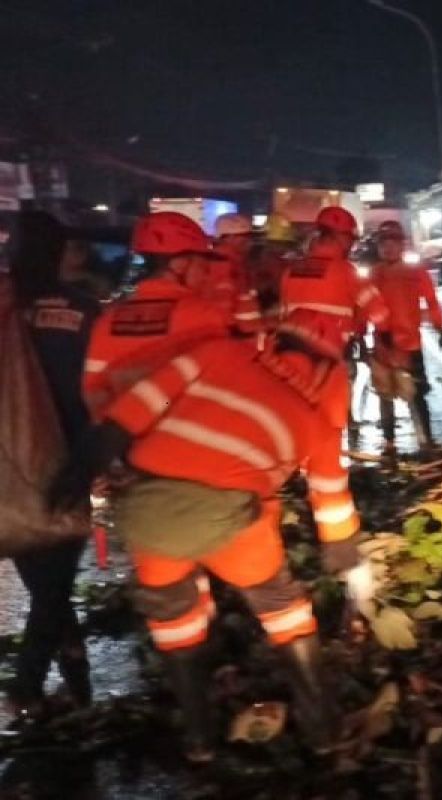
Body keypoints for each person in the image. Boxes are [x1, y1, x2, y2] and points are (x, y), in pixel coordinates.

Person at [47, 309, 368, 763]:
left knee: (175, 623)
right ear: (328, 367)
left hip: (149, 510)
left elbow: (126, 416)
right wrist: (342, 552)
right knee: (284, 610)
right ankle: (325, 729)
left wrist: (79, 473)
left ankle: (199, 739)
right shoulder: (316, 424)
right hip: (231, 521)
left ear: (276, 342)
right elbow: (330, 494)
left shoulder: (217, 353)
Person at [4, 211, 96, 720]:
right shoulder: (84, 312)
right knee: (55, 579)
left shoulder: (5, 306)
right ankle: (26, 688)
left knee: (44, 577)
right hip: (68, 457)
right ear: (62, 253)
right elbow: (103, 389)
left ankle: (77, 673)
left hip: (10, 458)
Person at [82, 212, 228, 421]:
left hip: (122, 441)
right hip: (180, 440)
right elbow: (221, 388)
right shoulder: (205, 317)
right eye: (203, 266)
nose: (207, 275)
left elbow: (93, 393)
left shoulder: (106, 322)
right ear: (179, 264)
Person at [280, 206, 391, 437]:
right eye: (349, 238)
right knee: (331, 418)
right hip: (331, 356)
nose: (351, 245)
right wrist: (384, 337)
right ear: (338, 237)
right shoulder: (345, 271)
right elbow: (378, 312)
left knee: (299, 413)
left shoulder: (292, 270)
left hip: (292, 354)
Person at [368, 221, 442, 452]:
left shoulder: (415, 272)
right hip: (383, 344)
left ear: (401, 244)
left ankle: (426, 440)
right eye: (383, 243)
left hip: (410, 344)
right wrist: (358, 336)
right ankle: (389, 441)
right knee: (385, 394)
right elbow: (363, 306)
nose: (387, 248)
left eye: (392, 243)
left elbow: (431, 301)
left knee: (417, 393)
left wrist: (441, 328)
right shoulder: (375, 274)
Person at [206, 212, 262, 336]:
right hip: (238, 339)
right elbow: (222, 310)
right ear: (228, 238)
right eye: (244, 236)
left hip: (248, 337)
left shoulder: (237, 263)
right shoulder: (222, 266)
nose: (249, 241)